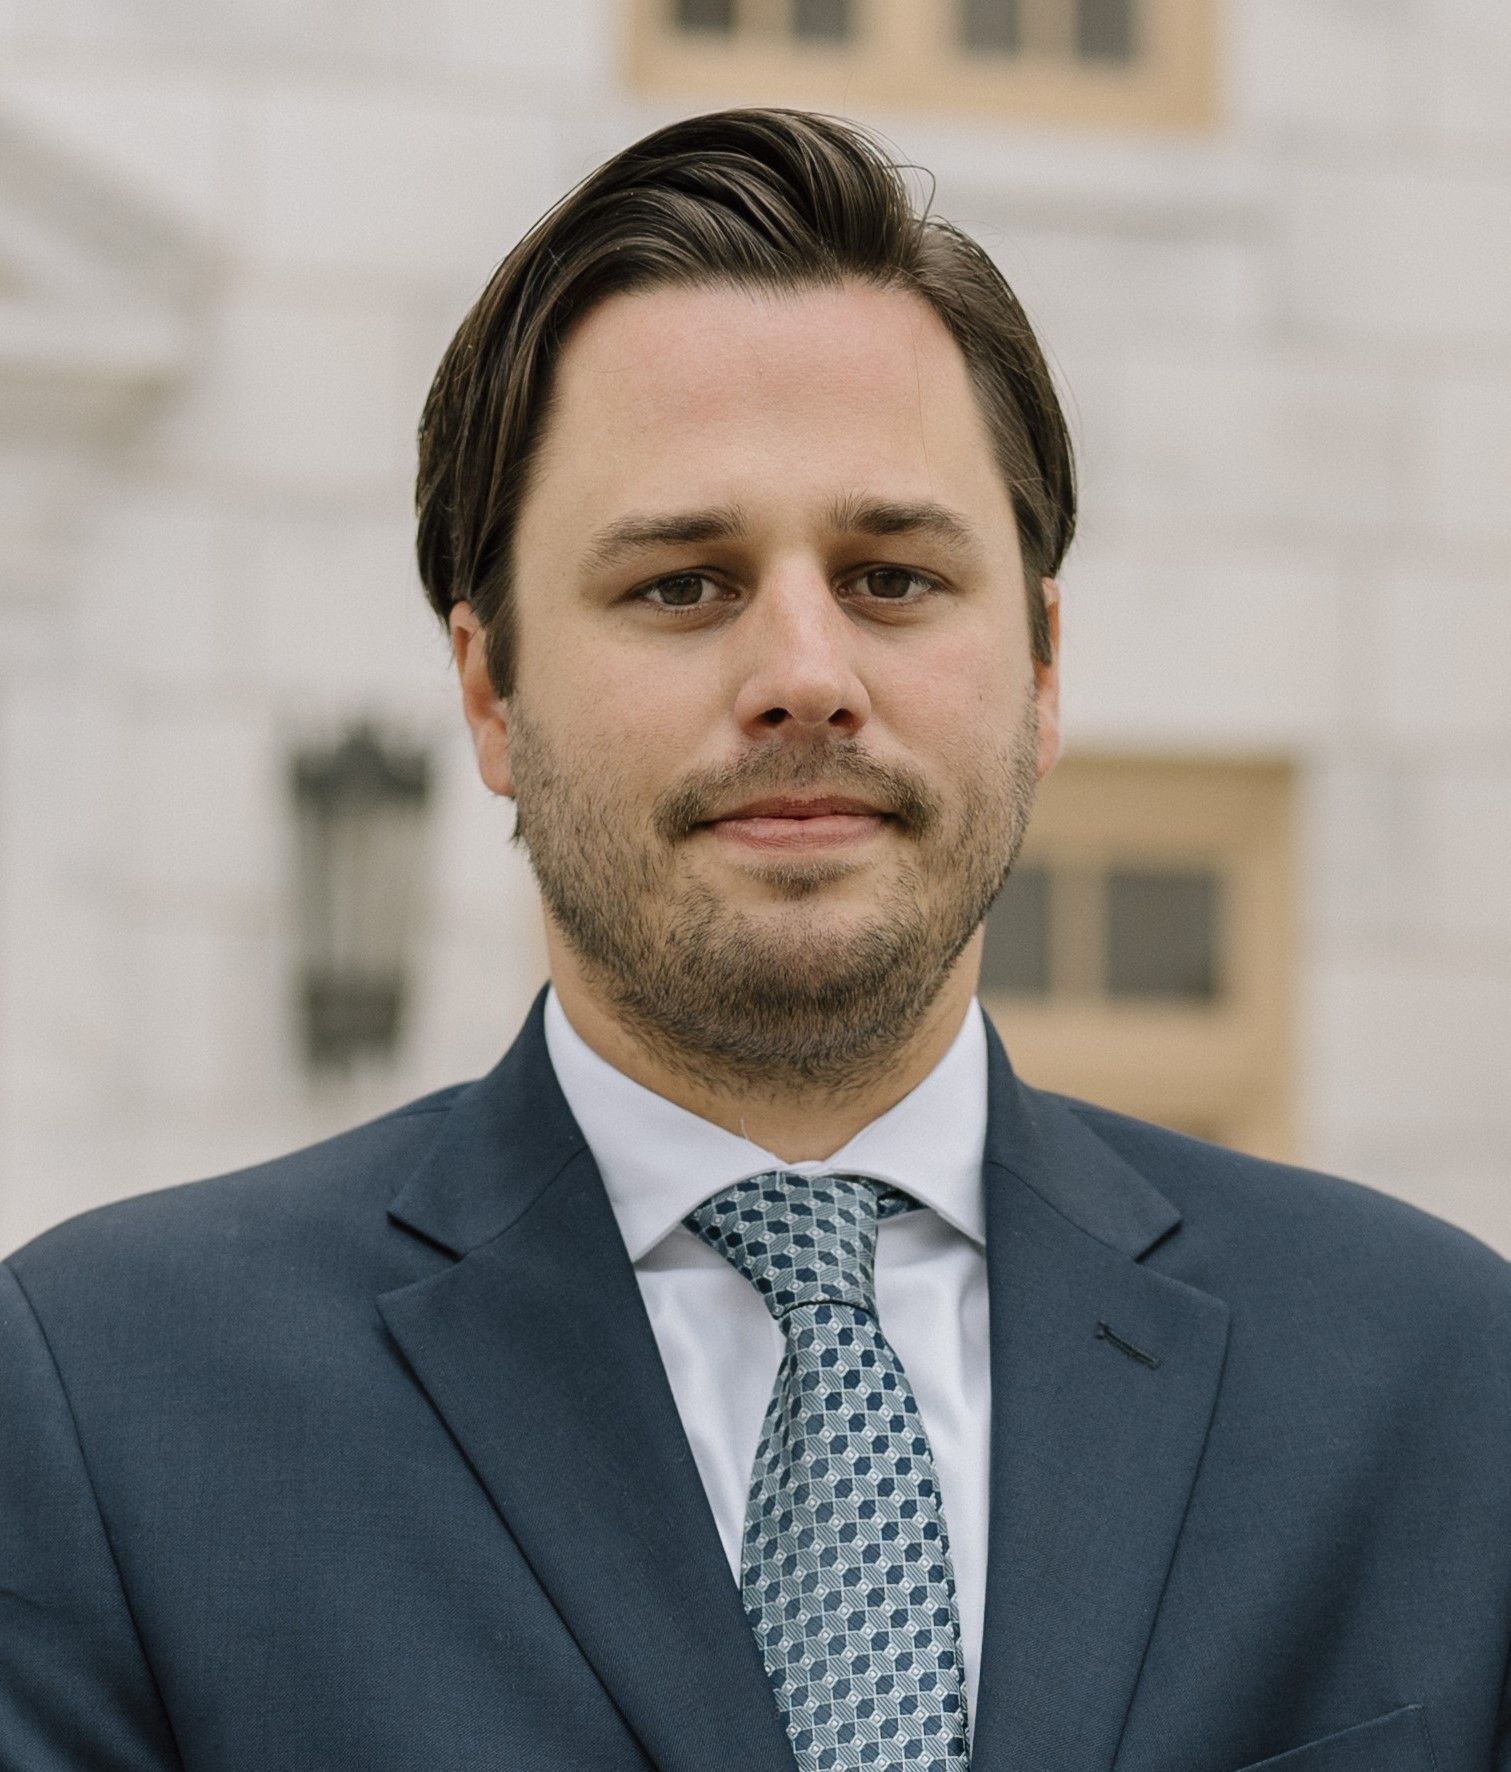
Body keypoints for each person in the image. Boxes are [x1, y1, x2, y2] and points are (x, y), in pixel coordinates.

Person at [1, 107, 1507, 1772]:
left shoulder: (1444, 1389)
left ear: (1046, 668)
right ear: (489, 690)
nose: (806, 669)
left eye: (892, 576)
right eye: (683, 585)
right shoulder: (101, 1406)